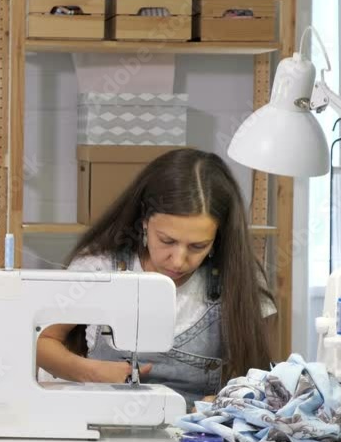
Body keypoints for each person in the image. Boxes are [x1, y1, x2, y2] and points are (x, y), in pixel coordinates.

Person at [35, 149, 276, 407]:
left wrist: (226, 401)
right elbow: (43, 342)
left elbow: (261, 376)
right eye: (167, 241)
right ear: (144, 221)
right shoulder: (99, 267)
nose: (178, 260)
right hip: (104, 419)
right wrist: (91, 372)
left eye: (198, 246)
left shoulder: (241, 279)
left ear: (218, 236)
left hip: (193, 427)